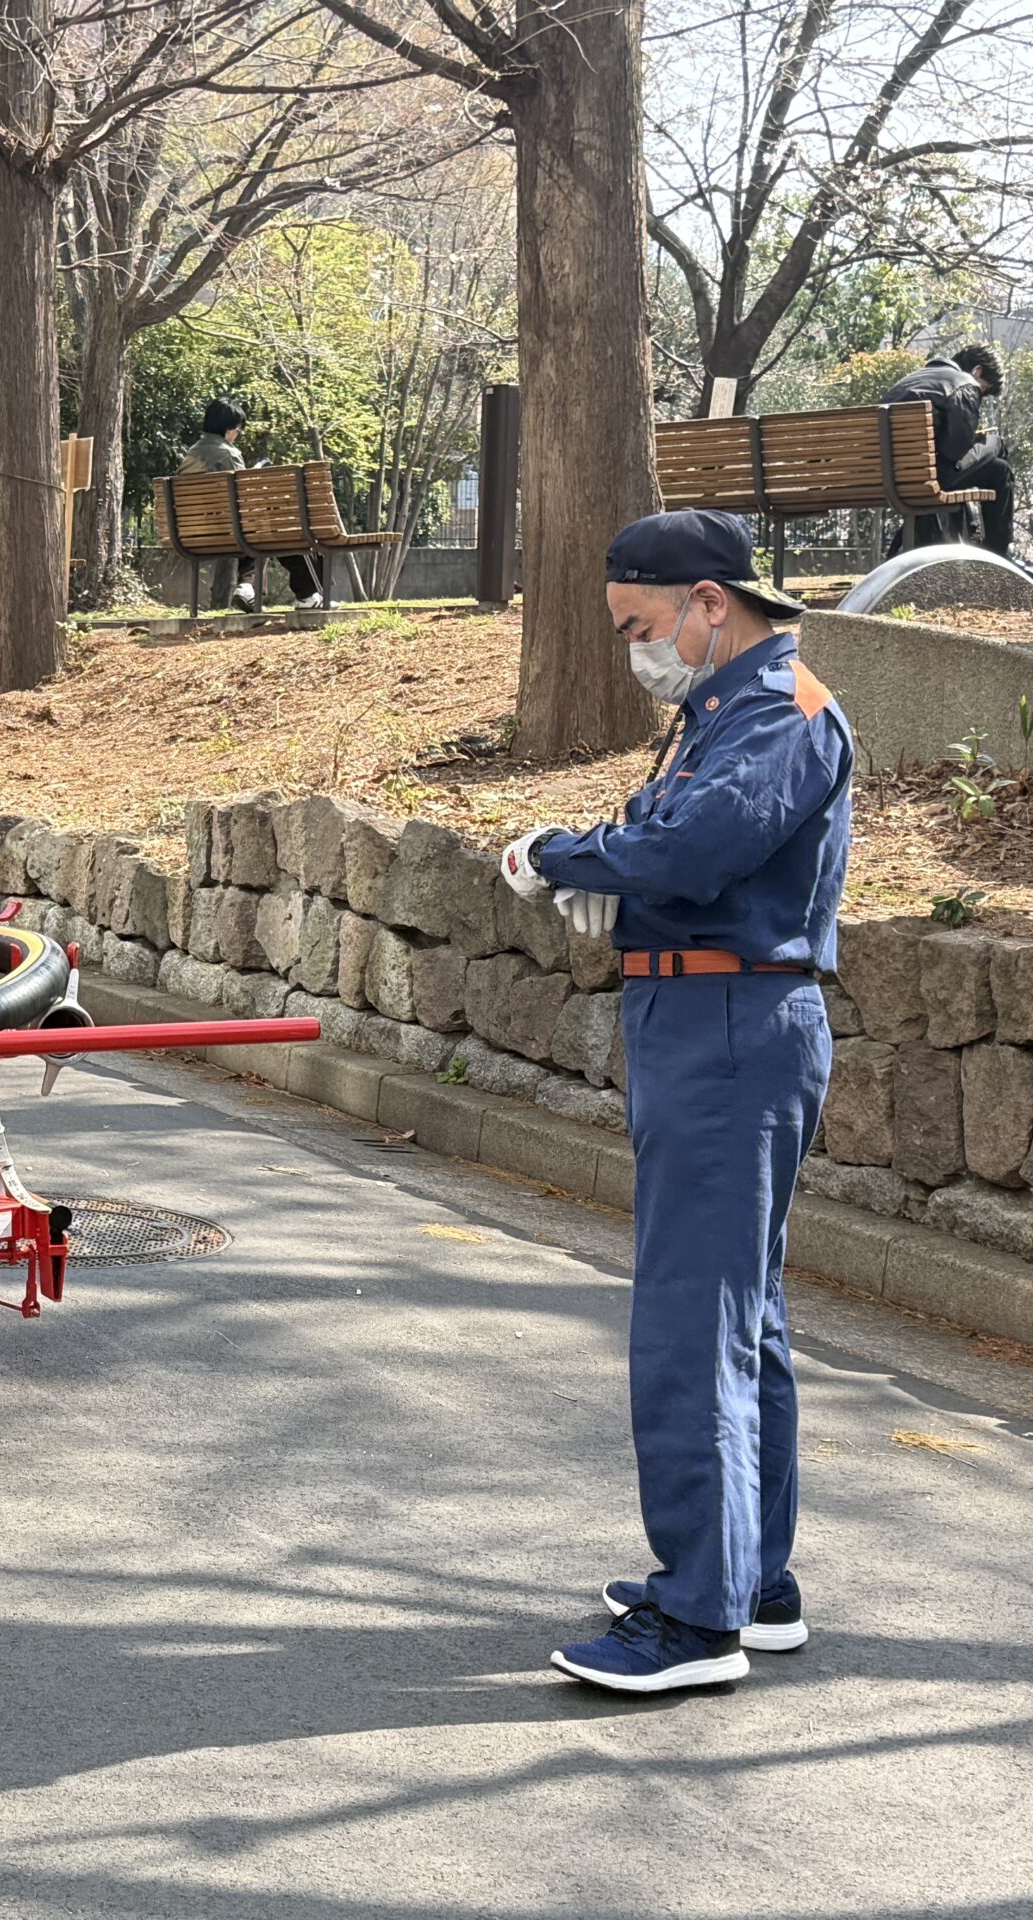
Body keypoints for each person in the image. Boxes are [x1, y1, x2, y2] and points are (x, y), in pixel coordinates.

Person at [497, 507, 852, 1695]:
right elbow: (666, 840)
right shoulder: (729, 709)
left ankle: (697, 1620)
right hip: (710, 1017)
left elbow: (690, 850)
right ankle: (748, 1581)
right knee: (741, 1318)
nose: (633, 651)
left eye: (637, 626)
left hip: (728, 1024)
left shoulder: (779, 709)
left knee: (693, 1324)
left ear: (708, 601)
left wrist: (557, 854)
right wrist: (604, 861)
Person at [178, 397, 324, 613]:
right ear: (230, 429)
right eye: (238, 430)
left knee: (259, 532)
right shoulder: (228, 453)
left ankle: (247, 587)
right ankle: (308, 595)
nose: (237, 435)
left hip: (193, 532)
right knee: (288, 531)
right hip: (230, 529)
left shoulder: (191, 453)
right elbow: (244, 498)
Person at [884, 344, 1013, 556]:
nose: (980, 395)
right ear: (977, 371)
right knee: (998, 450)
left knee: (998, 467)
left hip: (892, 478)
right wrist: (983, 442)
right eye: (984, 390)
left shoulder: (908, 381)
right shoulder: (964, 383)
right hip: (932, 477)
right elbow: (956, 451)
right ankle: (998, 555)